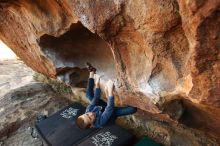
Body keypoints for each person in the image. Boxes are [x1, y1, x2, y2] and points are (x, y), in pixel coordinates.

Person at [76, 65, 137, 129]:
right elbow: (109, 109)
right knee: (132, 109)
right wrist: (110, 91)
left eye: (87, 114)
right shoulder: (99, 122)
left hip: (102, 106)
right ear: (91, 125)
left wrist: (97, 83)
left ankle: (92, 72)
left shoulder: (88, 110)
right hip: (112, 113)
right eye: (90, 118)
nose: (91, 114)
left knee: (88, 95)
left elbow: (96, 98)